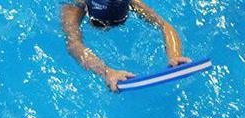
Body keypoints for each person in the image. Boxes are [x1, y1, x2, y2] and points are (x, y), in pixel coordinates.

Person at [60, 0, 191, 91]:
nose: (107, 28)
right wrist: (106, 72)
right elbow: (74, 45)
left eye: (120, 22)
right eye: (99, 23)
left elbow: (164, 25)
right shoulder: (73, 7)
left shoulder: (128, 1)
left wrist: (174, 55)